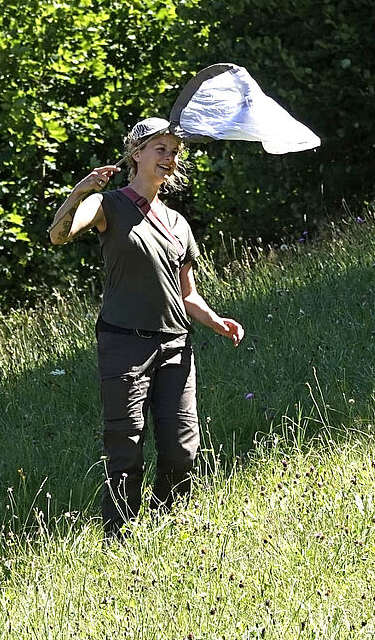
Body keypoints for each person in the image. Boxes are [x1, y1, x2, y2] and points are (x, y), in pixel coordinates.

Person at [48, 117, 244, 538]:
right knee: (126, 445)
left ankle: (165, 523)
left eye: (175, 151)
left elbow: (187, 293)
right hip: (124, 343)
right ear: (137, 154)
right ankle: (118, 536)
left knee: (183, 448)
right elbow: (58, 235)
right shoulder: (108, 205)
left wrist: (215, 320)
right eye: (161, 149)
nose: (170, 158)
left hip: (176, 344)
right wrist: (82, 189)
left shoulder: (177, 223)